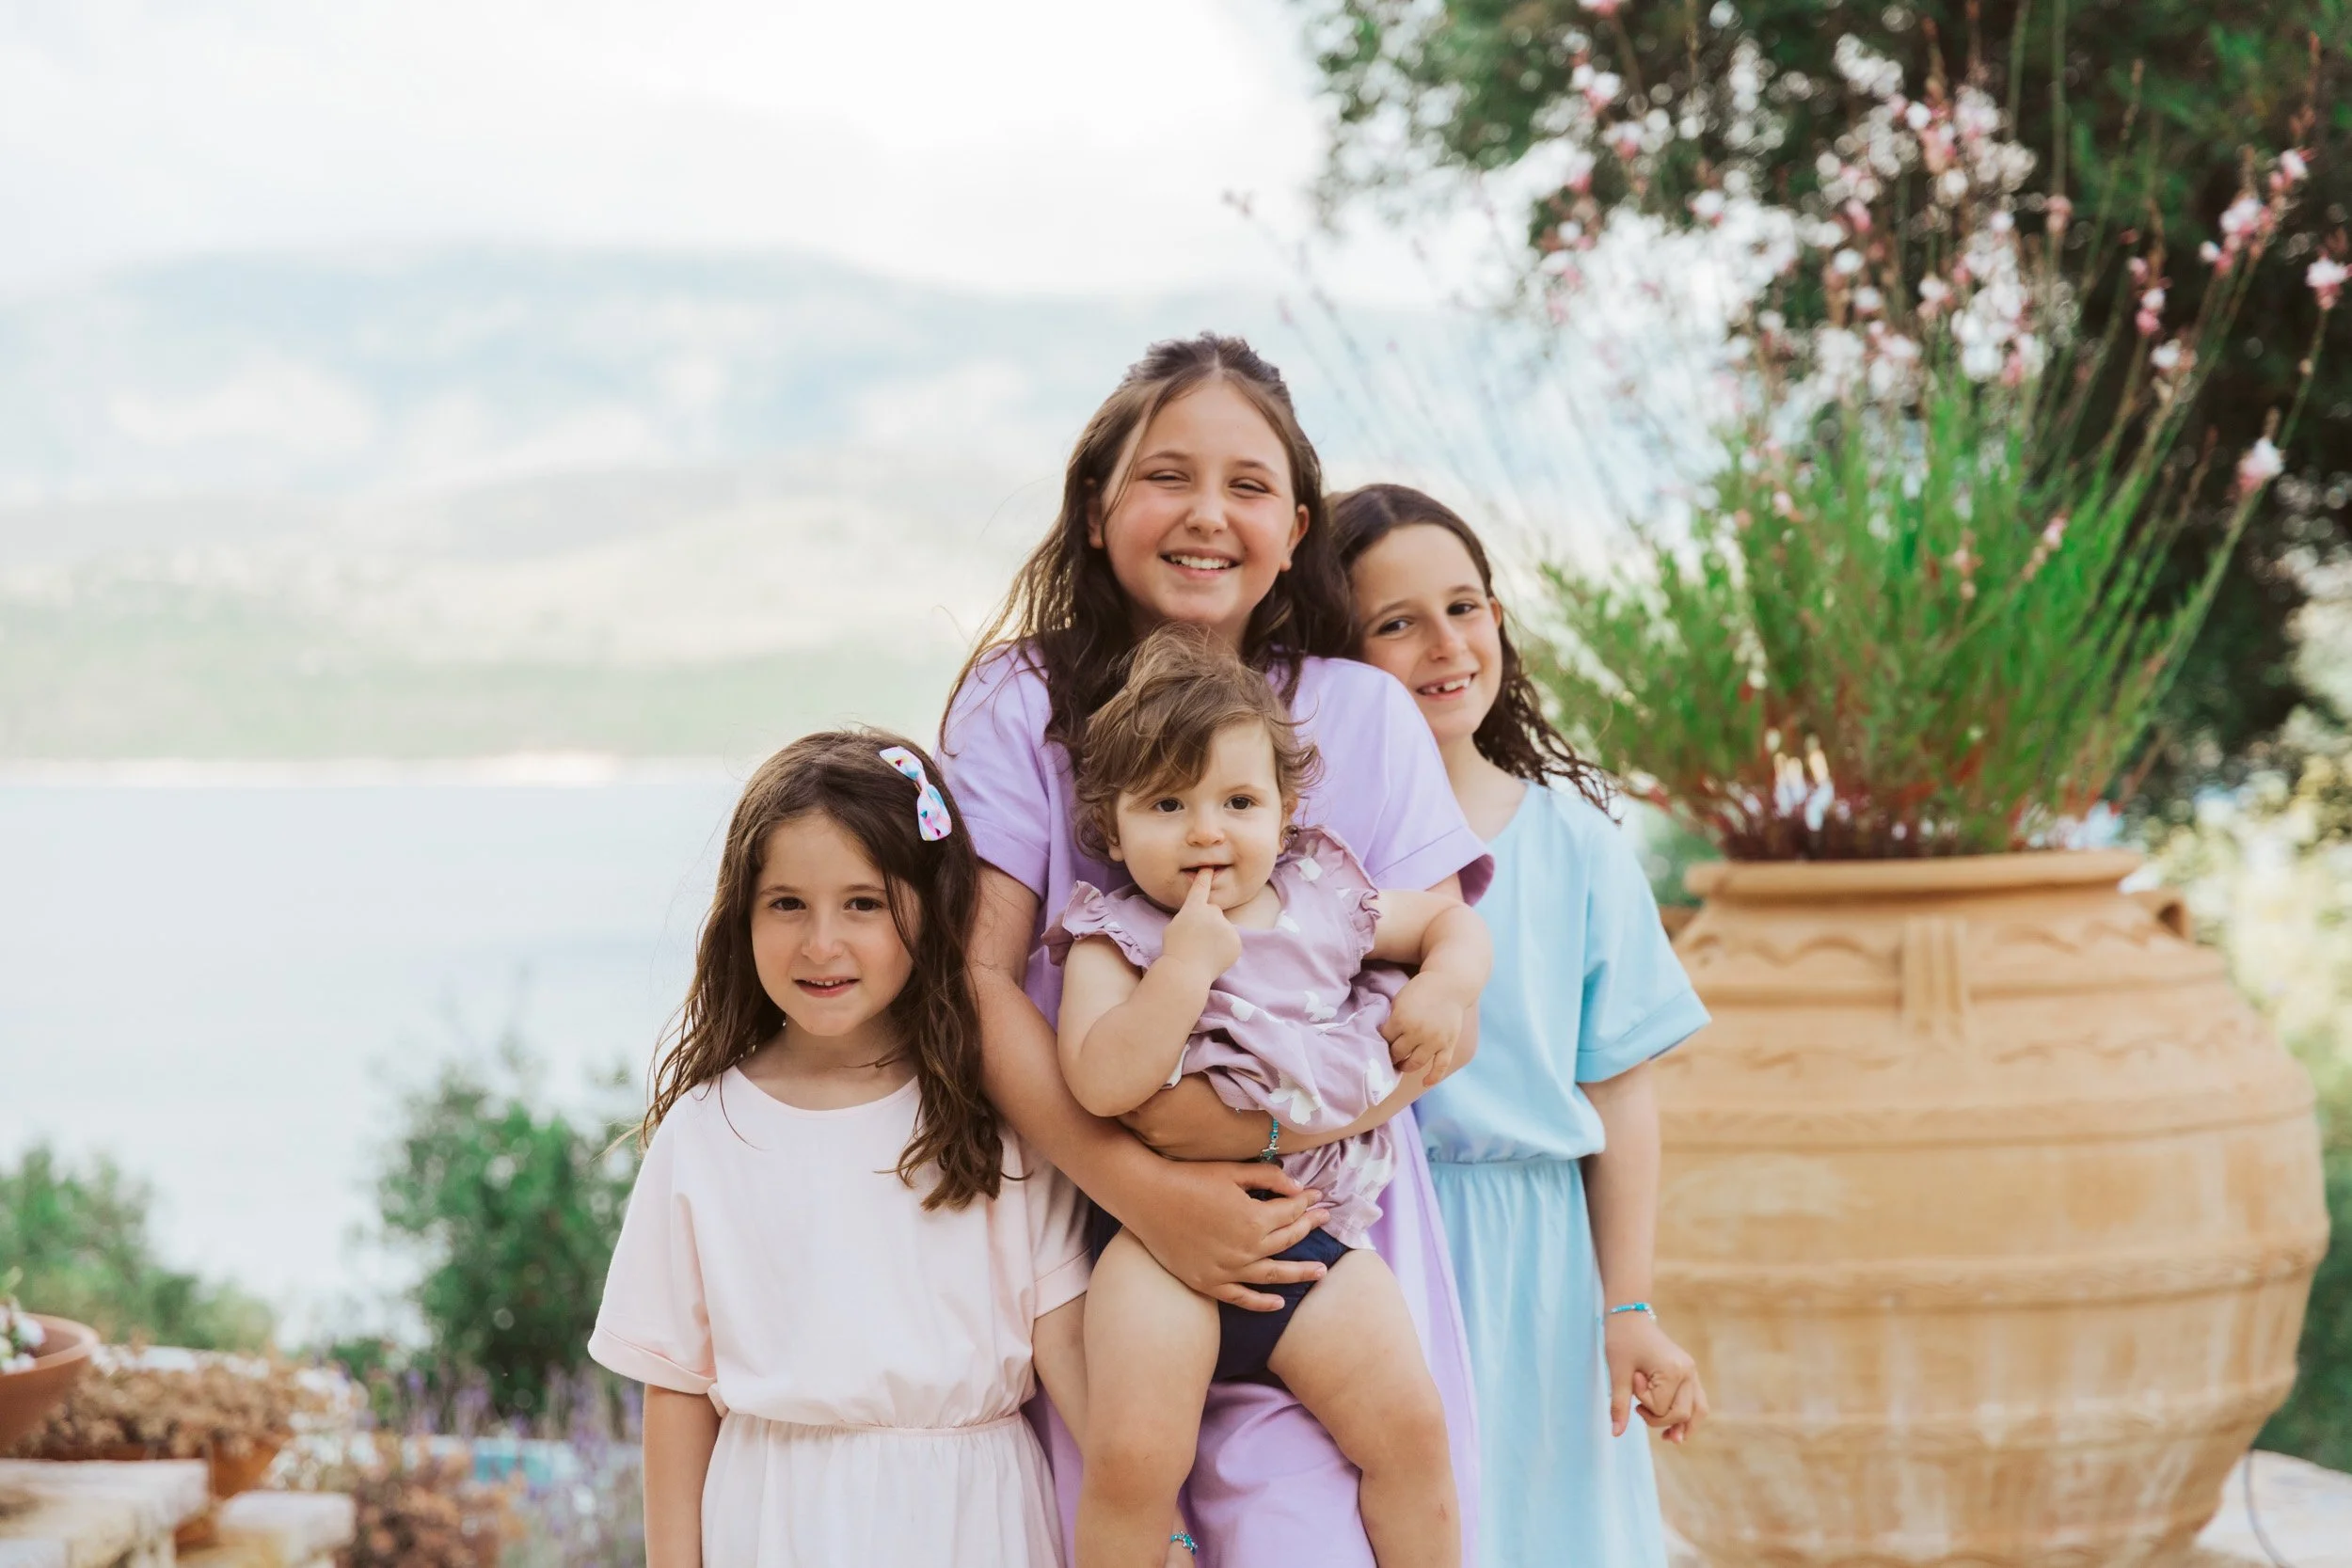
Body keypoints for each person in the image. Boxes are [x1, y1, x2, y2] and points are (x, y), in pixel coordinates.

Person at [939, 334, 1493, 1566]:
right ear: (1096, 507)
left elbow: (1431, 976)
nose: (1206, 512)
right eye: (1165, 475)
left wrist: (1260, 1136)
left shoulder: (1362, 710)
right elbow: (976, 981)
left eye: (1247, 484)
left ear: (1296, 527)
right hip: (1098, 1240)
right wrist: (1149, 1187)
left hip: (1329, 1227)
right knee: (1148, 1516)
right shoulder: (1017, 704)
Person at [588, 732, 1094, 1568]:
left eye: (863, 903)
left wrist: (1158, 1522)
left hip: (977, 1518)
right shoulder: (707, 1132)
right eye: (787, 903)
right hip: (779, 1519)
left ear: (929, 907)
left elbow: (1068, 1352)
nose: (822, 943)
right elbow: (675, 1390)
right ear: (741, 914)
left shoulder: (991, 1111)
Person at [1049, 625, 1489, 1566]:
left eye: (1237, 800)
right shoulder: (1111, 935)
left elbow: (1452, 921)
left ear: (1284, 810)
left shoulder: (1325, 896)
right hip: (1158, 1249)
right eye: (1167, 802)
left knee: (1412, 1431)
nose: (1206, 829)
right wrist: (1182, 971)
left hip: (1315, 1235)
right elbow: (1100, 1079)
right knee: (1131, 1460)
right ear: (1110, 824)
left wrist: (1444, 984)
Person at [1334, 483, 1711, 1568]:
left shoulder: (1575, 835)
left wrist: (1625, 1304)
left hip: (1540, 1263)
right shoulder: (1314, 850)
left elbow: (1619, 1090)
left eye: (1466, 605)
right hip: (1373, 1245)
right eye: (1394, 622)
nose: (1445, 644)